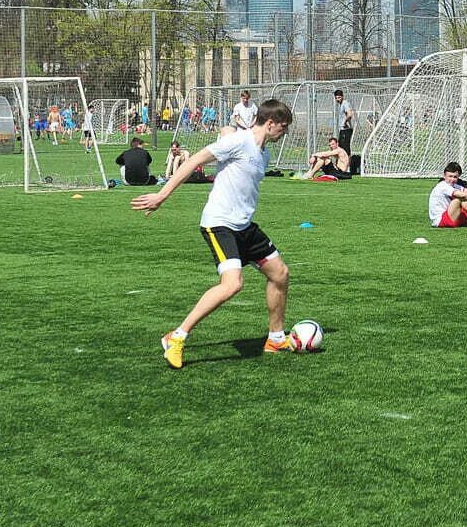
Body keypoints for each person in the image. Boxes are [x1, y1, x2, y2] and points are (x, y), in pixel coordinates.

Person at [136, 98, 297, 369]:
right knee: (232, 284)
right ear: (270, 124)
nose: (285, 133)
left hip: (244, 225)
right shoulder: (239, 141)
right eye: (283, 127)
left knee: (280, 273)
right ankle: (176, 337)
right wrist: (161, 195)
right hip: (219, 223)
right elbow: (197, 159)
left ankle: (276, 338)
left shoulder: (262, 151)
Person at [429, 161, 467, 227]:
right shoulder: (443, 185)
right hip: (440, 220)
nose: (452, 179)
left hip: (451, 215)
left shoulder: (454, 185)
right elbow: (462, 195)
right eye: (450, 176)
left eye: (455, 177)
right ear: (444, 176)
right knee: (460, 199)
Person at [333, 89, 354, 155]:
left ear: (342, 96)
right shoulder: (341, 104)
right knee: (341, 146)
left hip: (346, 129)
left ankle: (347, 164)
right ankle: (343, 162)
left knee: (345, 147)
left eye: (339, 97)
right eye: (336, 98)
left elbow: (349, 114)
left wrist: (345, 122)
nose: (337, 99)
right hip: (343, 129)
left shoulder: (345, 103)